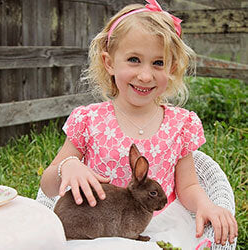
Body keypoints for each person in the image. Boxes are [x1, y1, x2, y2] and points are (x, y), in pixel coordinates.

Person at [40, 0, 238, 248]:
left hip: (159, 224)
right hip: (98, 226)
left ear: (172, 68)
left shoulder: (180, 124)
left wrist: (206, 205)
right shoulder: (89, 120)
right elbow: (47, 186)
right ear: (109, 63)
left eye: (158, 63)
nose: (145, 75)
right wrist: (67, 166)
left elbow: (187, 185)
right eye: (134, 59)